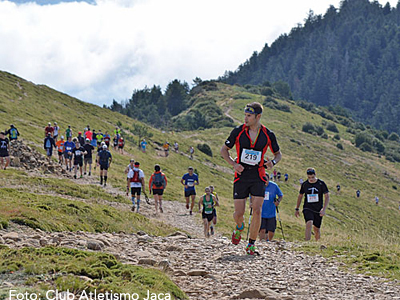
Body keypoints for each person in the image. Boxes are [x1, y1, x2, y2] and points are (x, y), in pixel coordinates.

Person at [220, 102, 282, 255]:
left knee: (257, 210)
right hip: (241, 175)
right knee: (238, 214)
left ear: (258, 117)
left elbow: (278, 154)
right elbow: (224, 150)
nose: (245, 118)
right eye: (245, 115)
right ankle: (239, 227)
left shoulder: (268, 134)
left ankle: (251, 244)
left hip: (258, 175)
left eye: (249, 116)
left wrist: (272, 163)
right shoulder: (238, 131)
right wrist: (234, 164)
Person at [295, 168, 330, 241]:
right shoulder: (305, 184)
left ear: (315, 175)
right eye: (309, 178)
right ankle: (307, 242)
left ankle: (317, 242)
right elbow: (300, 196)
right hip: (308, 207)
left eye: (312, 177)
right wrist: (297, 208)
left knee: (316, 228)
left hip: (318, 208)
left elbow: (327, 196)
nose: (311, 179)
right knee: (309, 222)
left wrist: (324, 209)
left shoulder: (321, 184)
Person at [259, 174, 283, 242]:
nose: (264, 181)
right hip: (261, 212)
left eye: (266, 180)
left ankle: (269, 241)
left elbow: (280, 195)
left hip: (271, 213)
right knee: (262, 229)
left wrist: (278, 201)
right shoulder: (258, 185)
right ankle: (261, 242)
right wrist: (252, 203)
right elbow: (252, 195)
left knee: (271, 230)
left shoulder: (274, 186)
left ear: (269, 179)